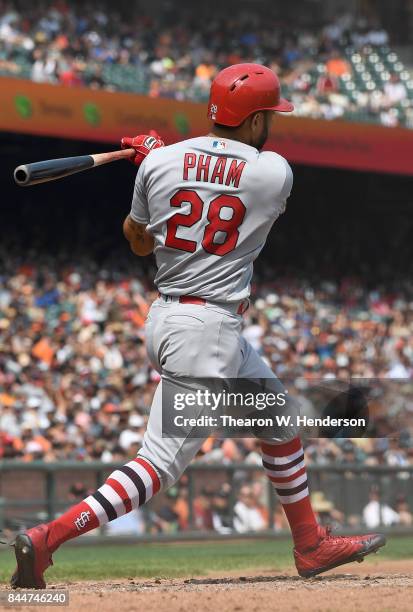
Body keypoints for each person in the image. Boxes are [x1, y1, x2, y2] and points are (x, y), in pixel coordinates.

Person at [11, 63, 385, 589]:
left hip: (173, 318)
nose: (271, 125)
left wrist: (156, 162)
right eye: (268, 116)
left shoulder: (158, 164)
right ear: (254, 120)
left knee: (276, 418)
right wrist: (169, 158)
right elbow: (227, 175)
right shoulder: (272, 172)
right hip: (207, 330)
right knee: (159, 464)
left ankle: (310, 544)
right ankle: (48, 537)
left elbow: (139, 241)